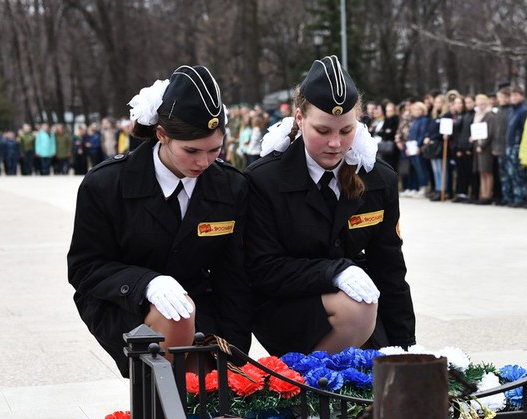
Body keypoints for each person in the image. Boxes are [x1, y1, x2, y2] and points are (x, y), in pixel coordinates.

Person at [67, 65, 252, 376]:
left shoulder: (231, 186)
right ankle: (157, 414)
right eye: (191, 151)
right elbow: (85, 268)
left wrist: (233, 356)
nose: (204, 162)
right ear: (162, 135)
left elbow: (234, 276)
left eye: (215, 150)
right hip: (123, 305)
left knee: (209, 386)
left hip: (203, 308)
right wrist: (146, 284)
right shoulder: (105, 185)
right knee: (176, 322)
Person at [246, 55, 416, 355]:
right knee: (356, 312)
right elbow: (262, 269)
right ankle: (308, 385)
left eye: (346, 130)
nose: (335, 143)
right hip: (286, 306)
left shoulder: (378, 180)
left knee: (377, 373)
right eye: (322, 131)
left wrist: (405, 352)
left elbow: (390, 271)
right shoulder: (265, 180)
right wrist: (334, 271)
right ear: (300, 119)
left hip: (357, 309)